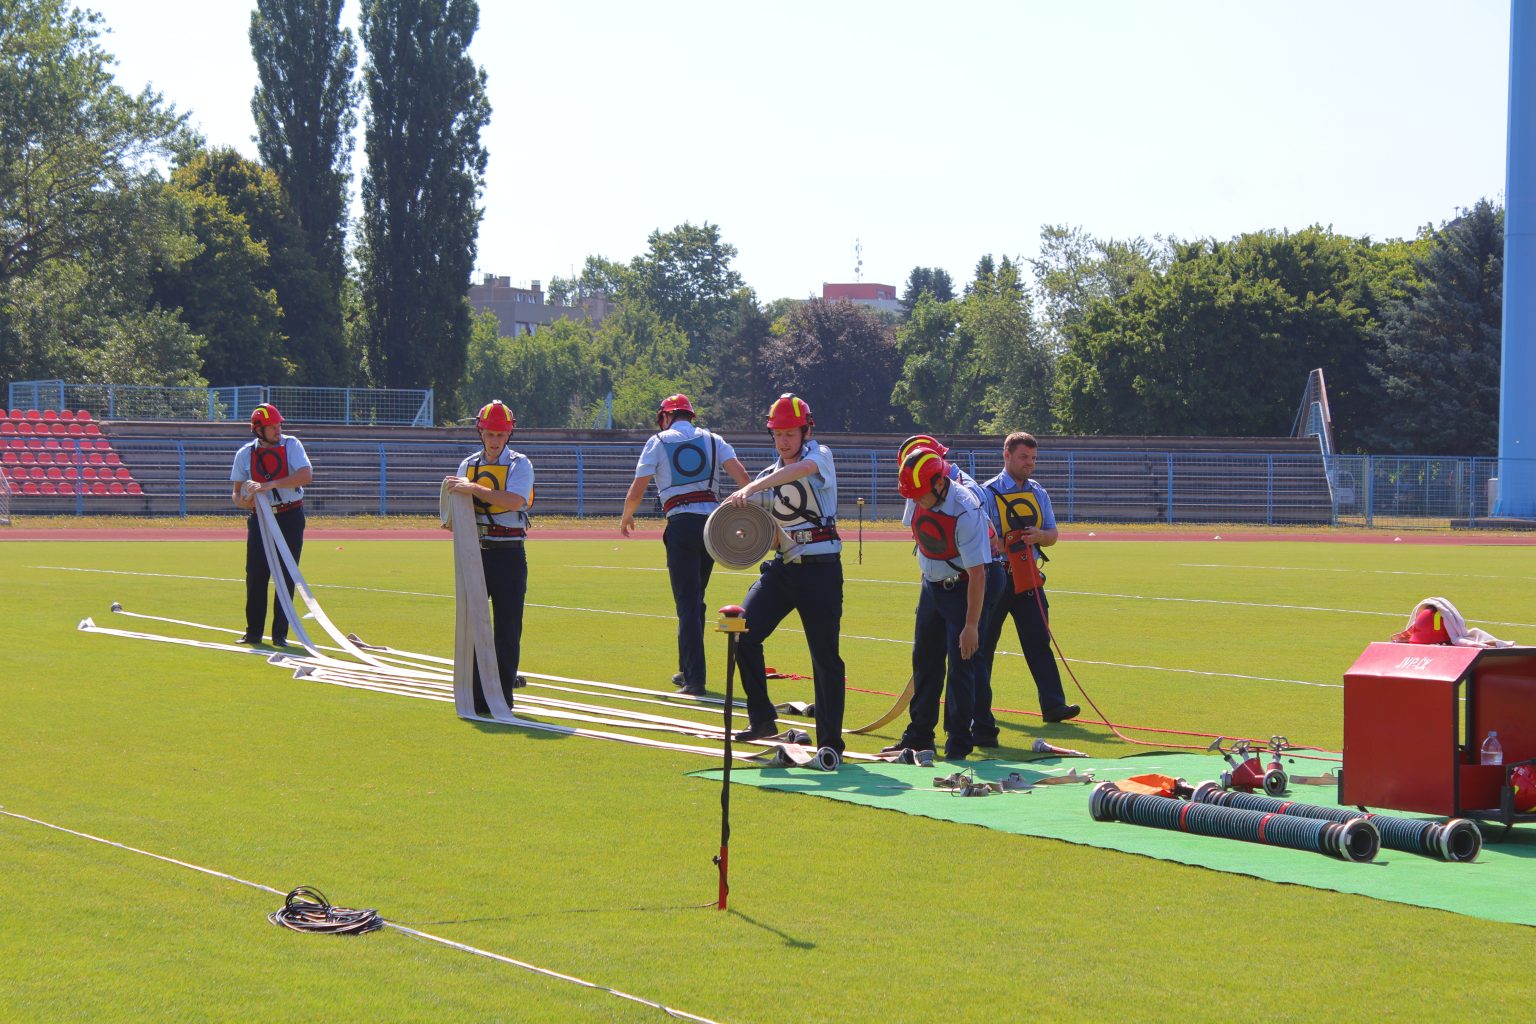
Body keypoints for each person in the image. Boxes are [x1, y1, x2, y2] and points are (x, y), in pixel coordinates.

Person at [723, 393, 846, 754]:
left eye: (790, 433)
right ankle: (761, 717)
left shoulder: (819, 456)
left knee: (825, 656)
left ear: (806, 431)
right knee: (742, 632)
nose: (784, 441)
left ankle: (830, 743)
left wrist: (751, 487)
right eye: (778, 434)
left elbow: (800, 472)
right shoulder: (766, 476)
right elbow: (757, 528)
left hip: (821, 570)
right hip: (783, 569)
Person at [620, 394, 749, 695]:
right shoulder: (715, 439)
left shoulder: (658, 441)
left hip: (681, 524)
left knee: (688, 603)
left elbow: (638, 488)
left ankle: (695, 679)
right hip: (712, 526)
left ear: (664, 418)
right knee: (696, 600)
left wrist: (627, 515)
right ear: (692, 417)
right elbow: (743, 478)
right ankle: (687, 668)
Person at [897, 434, 1008, 746]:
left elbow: (978, 573)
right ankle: (919, 736)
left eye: (921, 495)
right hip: (932, 585)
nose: (917, 501)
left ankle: (959, 741)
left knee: (963, 663)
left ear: (939, 483)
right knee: (925, 659)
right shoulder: (919, 490)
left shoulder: (965, 508)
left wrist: (971, 625)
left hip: (966, 586)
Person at [977, 431, 1080, 724]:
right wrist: (1000, 541)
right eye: (1024, 457)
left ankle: (1053, 706)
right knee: (985, 645)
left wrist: (1039, 536)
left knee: (1038, 640)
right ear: (1006, 455)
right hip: (997, 577)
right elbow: (982, 537)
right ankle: (978, 708)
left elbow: (1052, 535)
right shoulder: (986, 492)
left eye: (1033, 458)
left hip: (1028, 578)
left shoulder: (1039, 492)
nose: (1029, 464)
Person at [443, 401, 533, 714]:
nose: (495, 439)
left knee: (507, 627)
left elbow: (513, 500)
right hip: (476, 553)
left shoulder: (520, 464)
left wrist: (474, 489)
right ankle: (475, 696)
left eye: (500, 434)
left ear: (508, 435)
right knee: (472, 625)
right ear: (481, 432)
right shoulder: (467, 465)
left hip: (509, 553)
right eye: (490, 433)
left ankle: (502, 696)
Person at [230, 403, 312, 646]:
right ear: (258, 430)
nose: (278, 430)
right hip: (261, 518)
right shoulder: (245, 453)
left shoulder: (292, 445)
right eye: (272, 427)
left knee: (287, 574)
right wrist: (246, 502)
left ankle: (280, 635)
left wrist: (271, 484)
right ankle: (253, 632)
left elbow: (306, 475)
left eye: (279, 425)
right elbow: (235, 494)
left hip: (290, 515)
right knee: (255, 574)